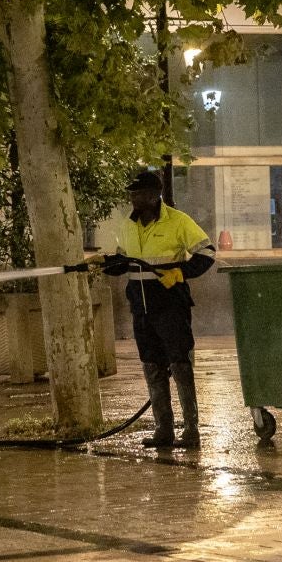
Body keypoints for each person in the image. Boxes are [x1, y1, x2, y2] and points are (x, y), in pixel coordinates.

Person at [106, 170, 217, 448]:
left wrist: (180, 272)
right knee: (152, 366)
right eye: (131, 194)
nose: (133, 199)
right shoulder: (128, 225)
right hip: (141, 307)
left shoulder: (179, 222)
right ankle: (163, 430)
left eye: (138, 193)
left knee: (180, 364)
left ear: (155, 195)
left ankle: (191, 431)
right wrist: (107, 263)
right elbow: (125, 261)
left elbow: (207, 253)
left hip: (171, 305)